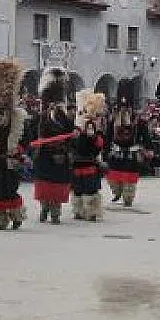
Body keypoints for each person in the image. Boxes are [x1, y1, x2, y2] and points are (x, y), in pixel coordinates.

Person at [0, 58, 27, 230]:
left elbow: (24, 138)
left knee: (10, 189)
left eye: (5, 98)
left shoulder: (18, 117)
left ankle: (16, 214)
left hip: (10, 158)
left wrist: (17, 150)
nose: (2, 100)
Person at [33, 67, 74, 224]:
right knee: (44, 185)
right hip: (45, 153)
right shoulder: (42, 116)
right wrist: (45, 115)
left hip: (60, 155)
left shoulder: (64, 116)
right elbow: (39, 131)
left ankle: (55, 212)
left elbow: (69, 130)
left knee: (57, 185)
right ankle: (44, 208)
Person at [105, 79, 144, 206]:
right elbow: (109, 133)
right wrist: (105, 149)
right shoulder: (113, 117)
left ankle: (128, 197)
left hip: (131, 153)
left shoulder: (137, 119)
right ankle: (117, 192)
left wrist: (148, 147)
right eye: (122, 106)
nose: (124, 108)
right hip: (116, 152)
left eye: (126, 106)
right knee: (113, 177)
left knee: (129, 178)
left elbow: (144, 133)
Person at [72, 89, 107, 221]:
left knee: (91, 189)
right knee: (78, 190)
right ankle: (78, 211)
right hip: (78, 164)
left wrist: (95, 139)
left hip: (90, 165)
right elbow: (74, 146)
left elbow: (98, 148)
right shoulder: (77, 131)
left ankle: (92, 212)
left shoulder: (96, 133)